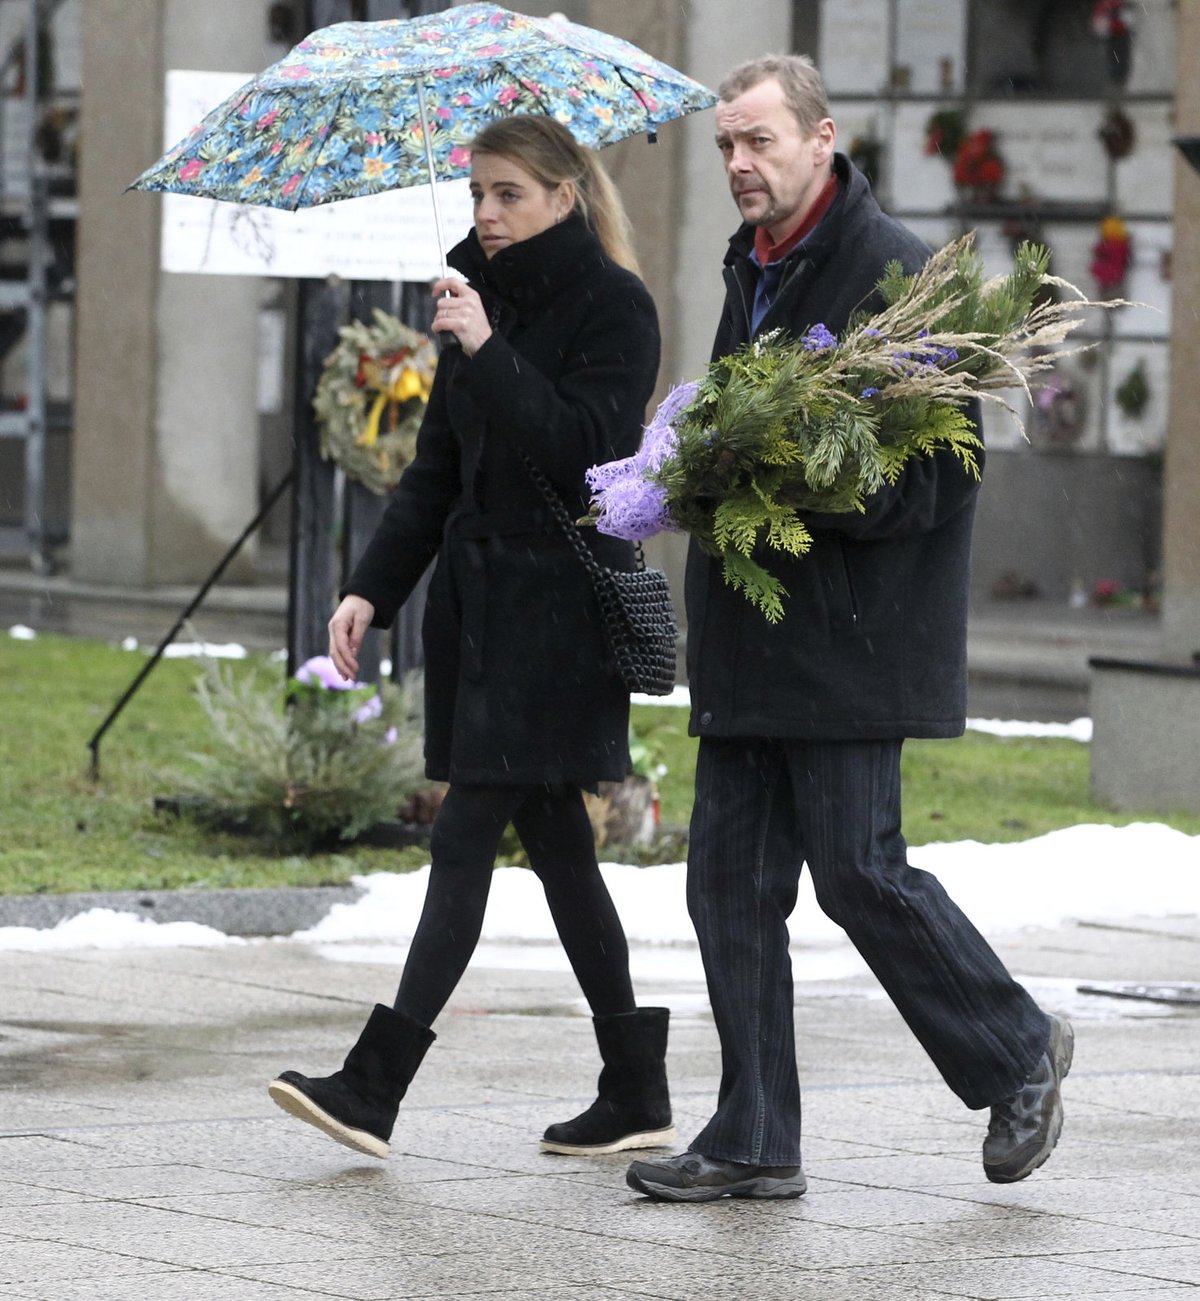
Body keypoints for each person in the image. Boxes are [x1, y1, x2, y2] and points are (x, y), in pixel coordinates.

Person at [625, 54, 1072, 1203]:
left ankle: (1018, 1047)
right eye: (727, 144)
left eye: (760, 141)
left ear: (824, 140)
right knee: (725, 881)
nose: (739, 164)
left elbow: (946, 472)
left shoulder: (894, 273)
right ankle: (754, 1134)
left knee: (860, 872)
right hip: (758, 635)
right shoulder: (756, 265)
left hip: (850, 642)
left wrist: (803, 472)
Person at [269, 115, 674, 1163]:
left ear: (564, 196)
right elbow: (437, 470)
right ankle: (635, 1086)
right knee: (560, 850)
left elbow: (587, 449)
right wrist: (372, 589)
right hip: (479, 609)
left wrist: (489, 348)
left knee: (464, 836)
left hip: (557, 615)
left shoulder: (616, 308)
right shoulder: (472, 306)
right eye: (478, 194)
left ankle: (374, 1086)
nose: (486, 215)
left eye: (507, 194)